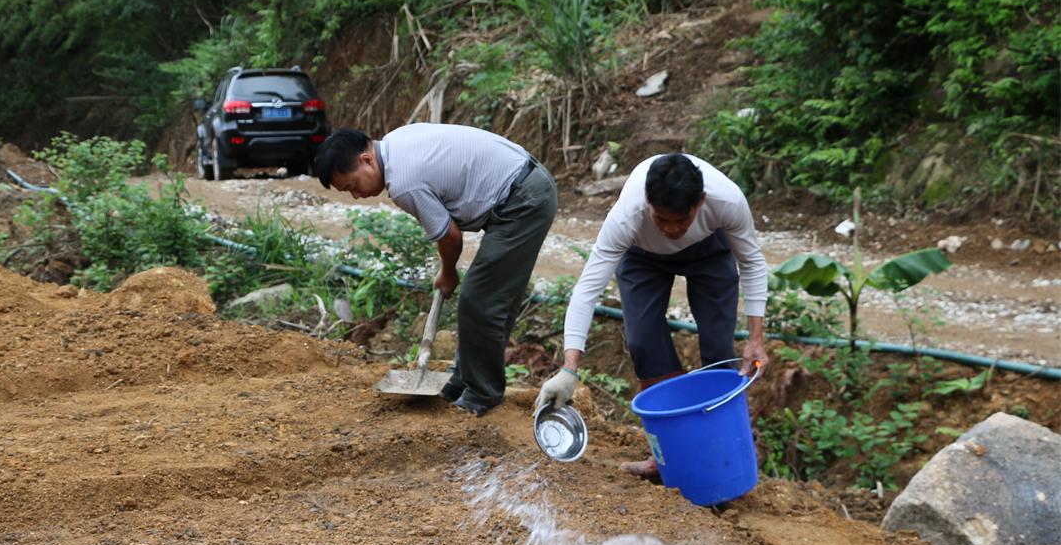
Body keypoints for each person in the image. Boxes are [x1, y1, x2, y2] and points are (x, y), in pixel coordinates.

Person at [535, 152, 770, 477]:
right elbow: (588, 288)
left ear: (700, 201)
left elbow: (753, 263)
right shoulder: (627, 215)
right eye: (662, 219)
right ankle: (672, 454)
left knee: (718, 349)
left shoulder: (726, 200)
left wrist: (756, 337)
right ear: (648, 202)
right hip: (642, 257)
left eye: (680, 220)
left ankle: (725, 450)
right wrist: (569, 368)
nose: (672, 230)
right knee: (644, 342)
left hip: (709, 251)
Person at [316, 124, 558, 416]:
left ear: (367, 160)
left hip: (522, 200)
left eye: (353, 186)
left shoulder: (403, 180)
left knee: (479, 298)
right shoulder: (394, 144)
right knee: (490, 298)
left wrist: (448, 272)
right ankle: (463, 380)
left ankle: (483, 393)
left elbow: (450, 236)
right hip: (524, 186)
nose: (356, 196)